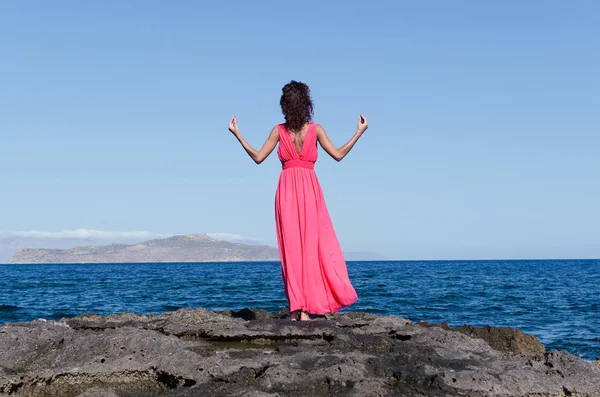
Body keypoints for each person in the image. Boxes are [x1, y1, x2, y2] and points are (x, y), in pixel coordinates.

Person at [228, 80, 368, 321]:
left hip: (287, 192)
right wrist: (358, 132)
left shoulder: (279, 131)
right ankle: (304, 310)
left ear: (285, 106)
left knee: (292, 251)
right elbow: (338, 155)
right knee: (311, 249)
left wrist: (238, 135)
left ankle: (297, 309)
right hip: (310, 191)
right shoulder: (316, 129)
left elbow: (259, 157)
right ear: (306, 104)